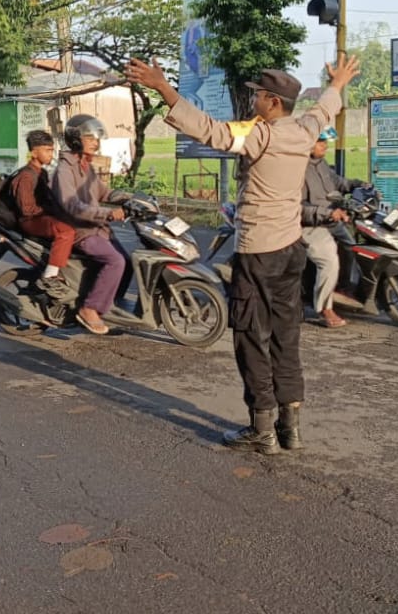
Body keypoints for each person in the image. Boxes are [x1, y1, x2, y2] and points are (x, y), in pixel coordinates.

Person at [125, 54, 360, 455]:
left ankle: (262, 429)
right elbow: (325, 107)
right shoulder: (304, 131)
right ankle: (291, 427)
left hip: (259, 253)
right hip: (291, 250)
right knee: (286, 336)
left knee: (251, 335)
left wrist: (162, 87)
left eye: (256, 97)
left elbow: (210, 131)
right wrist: (337, 82)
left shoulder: (261, 137)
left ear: (271, 102)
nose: (252, 102)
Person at [49, 115, 128, 336]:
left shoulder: (86, 166)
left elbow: (104, 192)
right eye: (90, 138)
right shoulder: (65, 170)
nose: (96, 142)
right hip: (80, 231)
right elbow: (72, 206)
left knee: (128, 261)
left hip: (96, 229)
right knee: (115, 261)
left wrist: (130, 198)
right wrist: (109, 213)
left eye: (96, 138)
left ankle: (108, 304)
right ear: (75, 139)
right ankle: (89, 308)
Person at [302, 127, 369, 328]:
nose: (325, 146)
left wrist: (359, 184)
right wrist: (328, 213)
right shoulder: (296, 169)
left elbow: (338, 182)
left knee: (350, 245)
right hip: (308, 224)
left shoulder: (320, 164)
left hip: (329, 220)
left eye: (325, 142)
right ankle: (324, 309)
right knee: (329, 259)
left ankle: (342, 287)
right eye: (321, 142)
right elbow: (296, 207)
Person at [10, 130, 77, 290]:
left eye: (52, 150)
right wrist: (49, 210)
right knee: (65, 231)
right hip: (30, 221)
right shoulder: (26, 176)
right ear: (34, 152)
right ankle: (51, 274)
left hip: (41, 217)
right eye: (47, 150)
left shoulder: (42, 173)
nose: (50, 155)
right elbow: (27, 209)